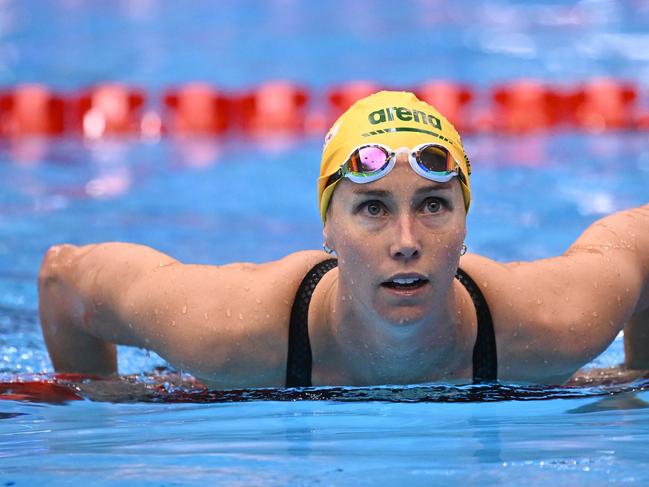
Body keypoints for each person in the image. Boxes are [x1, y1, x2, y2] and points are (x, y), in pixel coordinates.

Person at [38, 91, 649, 389]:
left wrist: (636, 377)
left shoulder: (554, 323)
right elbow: (63, 277)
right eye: (373, 209)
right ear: (328, 227)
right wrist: (89, 406)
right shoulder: (227, 334)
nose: (406, 241)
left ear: (467, 221)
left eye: (433, 205)